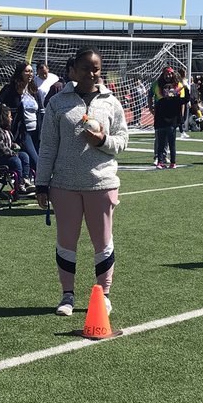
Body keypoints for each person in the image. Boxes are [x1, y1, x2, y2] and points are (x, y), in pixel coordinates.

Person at [35, 47, 128, 317]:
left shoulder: (111, 102)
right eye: (86, 68)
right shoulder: (57, 102)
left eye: (96, 68)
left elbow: (122, 142)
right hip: (64, 185)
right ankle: (67, 295)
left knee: (103, 242)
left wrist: (102, 141)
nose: (91, 73)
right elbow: (48, 145)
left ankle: (104, 294)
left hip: (102, 184)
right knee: (66, 242)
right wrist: (42, 183)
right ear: (73, 70)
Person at [0, 61, 43, 174]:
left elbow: (41, 111)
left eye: (31, 71)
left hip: (36, 131)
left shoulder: (34, 90)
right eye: (27, 71)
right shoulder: (10, 89)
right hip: (22, 132)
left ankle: (30, 184)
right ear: (20, 73)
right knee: (36, 161)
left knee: (38, 161)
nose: (30, 74)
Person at [0, 103, 32, 191]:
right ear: (3, 118)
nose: (11, 118)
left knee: (24, 155)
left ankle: (25, 179)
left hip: (5, 155)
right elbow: (1, 148)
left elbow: (9, 143)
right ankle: (20, 184)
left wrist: (14, 146)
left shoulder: (6, 131)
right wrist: (13, 153)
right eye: (10, 116)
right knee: (15, 160)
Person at [151, 70, 182, 169]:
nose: (167, 91)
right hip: (162, 124)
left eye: (169, 89)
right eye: (165, 90)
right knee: (160, 142)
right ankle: (159, 160)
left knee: (171, 144)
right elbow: (157, 113)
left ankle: (172, 161)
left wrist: (179, 122)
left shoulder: (174, 100)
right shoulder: (160, 101)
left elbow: (181, 106)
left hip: (171, 124)